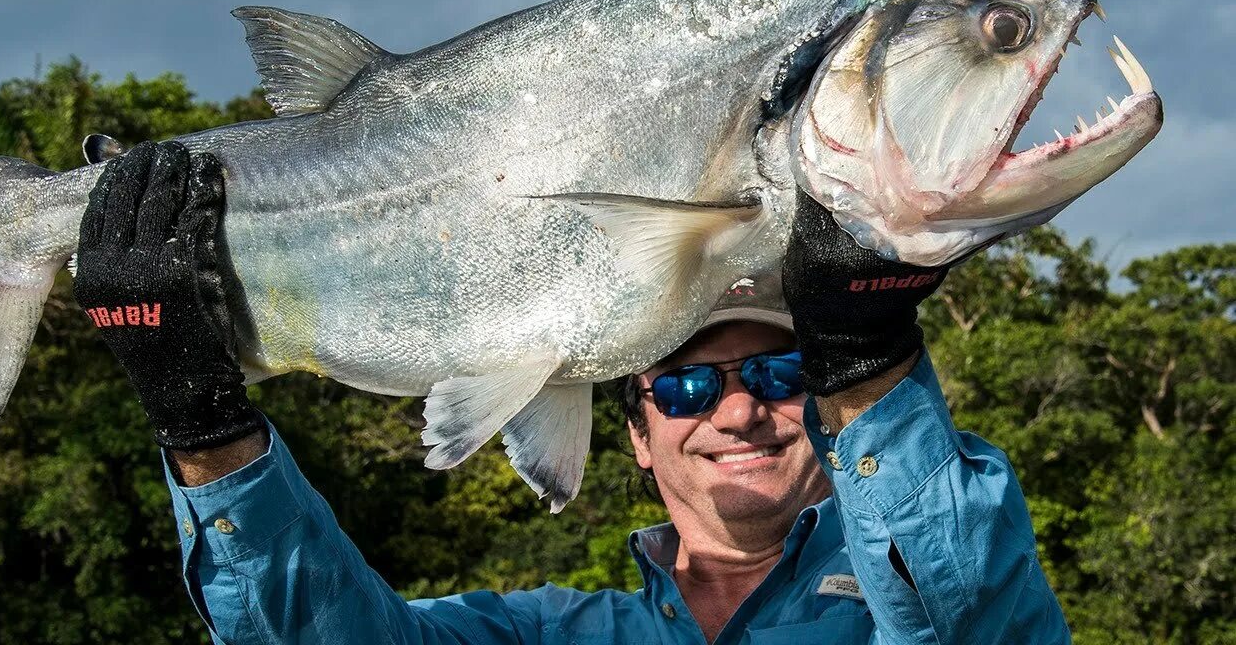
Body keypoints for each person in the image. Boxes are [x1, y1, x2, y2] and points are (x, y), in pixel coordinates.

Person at [73, 142, 1071, 644]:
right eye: (682, 383)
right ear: (635, 431)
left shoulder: (921, 593)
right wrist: (205, 426)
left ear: (821, 397)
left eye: (778, 371)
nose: (734, 410)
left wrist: (871, 359)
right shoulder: (546, 630)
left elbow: (965, 617)